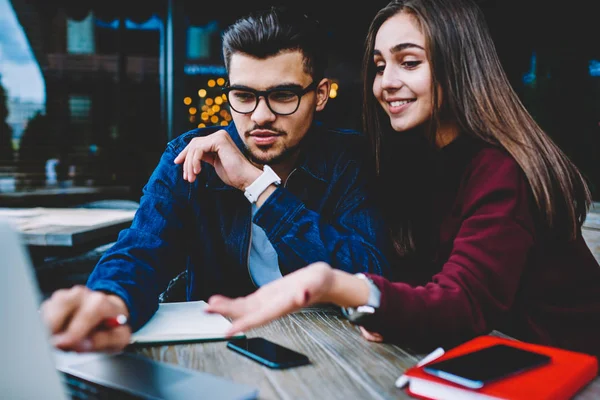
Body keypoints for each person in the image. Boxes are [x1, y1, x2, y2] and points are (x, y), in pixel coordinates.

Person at [205, 0, 600, 358]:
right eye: (379, 67)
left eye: (409, 62)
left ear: (459, 64)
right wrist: (394, 309)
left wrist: (333, 284)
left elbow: (462, 305)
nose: (386, 82)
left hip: (569, 372)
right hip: (483, 361)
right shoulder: (416, 161)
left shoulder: (501, 168)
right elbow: (417, 289)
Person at [40, 6, 390, 353]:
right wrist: (112, 301)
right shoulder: (190, 155)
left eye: (283, 95)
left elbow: (370, 274)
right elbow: (142, 249)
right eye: (244, 96)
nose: (261, 115)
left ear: (321, 94)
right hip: (221, 346)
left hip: (340, 346)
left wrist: (258, 187)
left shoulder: (349, 158)